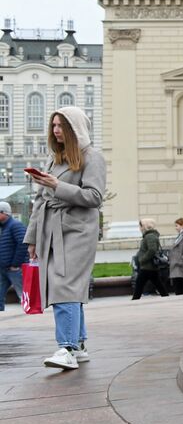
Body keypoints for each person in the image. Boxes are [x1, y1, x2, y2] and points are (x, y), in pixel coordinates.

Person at [26, 107, 106, 370]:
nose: (56, 130)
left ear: (75, 128)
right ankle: (79, 345)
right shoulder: (55, 159)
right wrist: (33, 239)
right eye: (54, 125)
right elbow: (40, 202)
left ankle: (67, 347)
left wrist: (58, 186)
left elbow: (95, 197)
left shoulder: (92, 157)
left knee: (64, 286)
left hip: (77, 230)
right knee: (67, 286)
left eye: (61, 125)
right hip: (52, 229)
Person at [131, 219, 171, 299]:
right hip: (149, 266)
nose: (139, 228)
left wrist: (142, 259)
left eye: (140, 226)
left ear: (145, 226)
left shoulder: (150, 236)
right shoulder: (149, 235)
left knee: (139, 283)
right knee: (157, 284)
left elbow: (152, 250)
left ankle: (135, 299)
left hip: (148, 265)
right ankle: (165, 296)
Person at [0, 201, 26, 310]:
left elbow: (23, 244)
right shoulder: (3, 228)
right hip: (4, 268)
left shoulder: (15, 225)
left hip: (15, 269)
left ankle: (29, 316)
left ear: (4, 213)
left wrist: (16, 264)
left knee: (23, 295)